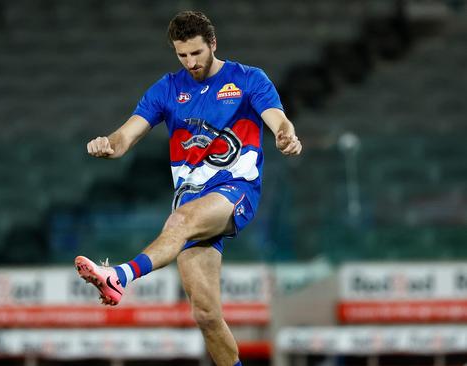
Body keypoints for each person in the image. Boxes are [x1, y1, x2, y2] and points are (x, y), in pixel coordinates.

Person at [75, 10, 302, 366]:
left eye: (197, 53)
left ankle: (117, 275)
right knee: (207, 317)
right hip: (190, 200)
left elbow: (278, 119)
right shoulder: (167, 89)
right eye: (183, 55)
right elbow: (125, 137)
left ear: (213, 44)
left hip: (235, 189)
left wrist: (285, 134)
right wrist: (108, 144)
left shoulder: (247, 79)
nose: (191, 62)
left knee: (180, 222)